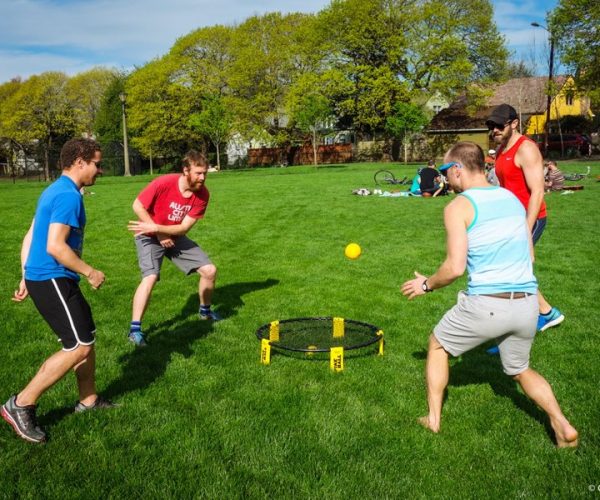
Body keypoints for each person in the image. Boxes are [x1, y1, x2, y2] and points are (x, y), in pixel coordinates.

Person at [401, 141, 578, 448]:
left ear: (457, 169)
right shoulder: (510, 198)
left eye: (445, 170)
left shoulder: (458, 206)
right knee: (520, 370)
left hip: (487, 305)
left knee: (438, 345)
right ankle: (562, 424)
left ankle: (432, 419)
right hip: (526, 305)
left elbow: (455, 268)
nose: (445, 177)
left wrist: (426, 284)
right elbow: (527, 245)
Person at [2, 138, 115, 444]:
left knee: (85, 337)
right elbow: (54, 246)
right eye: (97, 163)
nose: (100, 170)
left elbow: (31, 233)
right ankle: (21, 404)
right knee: (77, 345)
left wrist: (25, 274)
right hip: (52, 277)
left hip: (45, 277)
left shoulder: (56, 189)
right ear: (80, 161)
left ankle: (88, 400)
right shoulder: (68, 196)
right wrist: (90, 271)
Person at [126, 150, 220, 347]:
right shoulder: (164, 183)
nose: (203, 177)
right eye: (198, 173)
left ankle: (205, 312)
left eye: (205, 173)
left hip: (174, 236)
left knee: (210, 271)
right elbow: (137, 205)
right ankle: (134, 330)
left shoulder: (202, 195)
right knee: (150, 277)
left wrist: (162, 231)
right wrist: (158, 232)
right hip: (149, 236)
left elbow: (185, 227)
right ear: (185, 170)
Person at [486, 104, 564, 334]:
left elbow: (538, 192)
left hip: (531, 218)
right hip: (511, 220)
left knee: (510, 270)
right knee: (510, 270)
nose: (495, 130)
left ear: (514, 123)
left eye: (499, 125)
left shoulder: (526, 149)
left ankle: (543, 314)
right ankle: (546, 313)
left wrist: (526, 232)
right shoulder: (500, 151)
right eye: (491, 126)